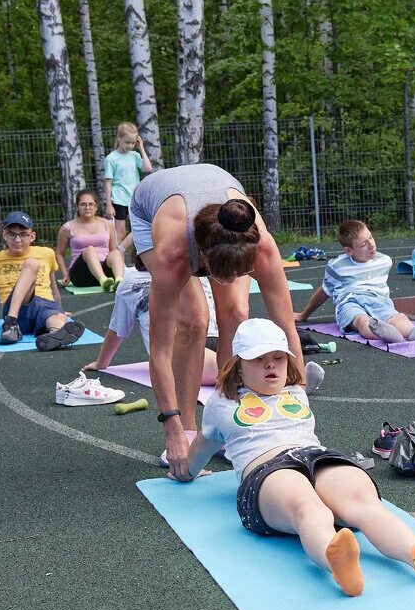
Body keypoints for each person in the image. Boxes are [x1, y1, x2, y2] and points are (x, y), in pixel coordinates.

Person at [175, 318, 415, 597]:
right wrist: (186, 470)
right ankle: (337, 562)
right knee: (309, 508)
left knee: (363, 503)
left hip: (317, 456)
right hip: (266, 467)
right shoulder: (222, 403)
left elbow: (302, 385)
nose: (271, 365)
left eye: (278, 358)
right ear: (238, 366)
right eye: (259, 359)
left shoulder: (296, 391)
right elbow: (202, 446)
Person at [129, 162, 304, 480]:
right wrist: (173, 430)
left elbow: (287, 328)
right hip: (152, 207)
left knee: (236, 313)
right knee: (195, 318)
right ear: (203, 258)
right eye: (220, 274)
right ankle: (190, 427)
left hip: (218, 201)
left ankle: (228, 416)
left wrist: (300, 396)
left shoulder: (261, 246)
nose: (230, 280)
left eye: (240, 272)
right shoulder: (174, 253)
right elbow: (159, 351)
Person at [295, 219, 415, 343]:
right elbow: (324, 291)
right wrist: (304, 315)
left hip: (378, 299)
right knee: (362, 321)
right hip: (349, 301)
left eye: (370, 237)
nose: (371, 244)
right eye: (363, 244)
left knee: (397, 318)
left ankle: (414, 332)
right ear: (348, 251)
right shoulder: (336, 266)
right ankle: (385, 333)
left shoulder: (384, 261)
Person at [83, 253, 220, 386]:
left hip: (182, 345)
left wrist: (101, 362)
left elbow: (116, 330)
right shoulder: (194, 274)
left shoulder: (130, 282)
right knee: (229, 370)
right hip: (213, 338)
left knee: (225, 372)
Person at [0, 211, 85, 350]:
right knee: (32, 264)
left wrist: (60, 311)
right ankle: (11, 324)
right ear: (4, 235)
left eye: (23, 234)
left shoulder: (47, 254)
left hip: (45, 305)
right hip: (16, 310)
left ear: (32, 236)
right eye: (12, 234)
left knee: (56, 316)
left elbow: (53, 289)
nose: (17, 240)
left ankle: (55, 335)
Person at [55, 188, 125, 291]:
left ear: (96, 207)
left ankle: (119, 281)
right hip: (81, 276)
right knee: (90, 249)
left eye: (91, 204)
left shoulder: (107, 224)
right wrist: (65, 274)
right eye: (83, 204)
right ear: (77, 207)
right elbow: (59, 253)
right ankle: (103, 281)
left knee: (116, 252)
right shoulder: (67, 227)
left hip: (105, 269)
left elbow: (112, 250)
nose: (87, 207)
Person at [104, 122, 153, 245]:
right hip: (119, 200)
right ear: (119, 138)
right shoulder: (111, 158)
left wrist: (141, 147)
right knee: (120, 234)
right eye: (127, 142)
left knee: (140, 231)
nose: (130, 146)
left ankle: (137, 260)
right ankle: (119, 260)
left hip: (134, 199)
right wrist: (109, 204)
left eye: (133, 143)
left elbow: (148, 168)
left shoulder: (135, 155)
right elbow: (108, 182)